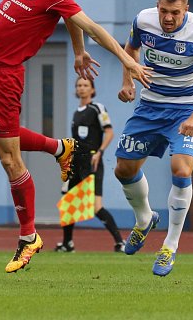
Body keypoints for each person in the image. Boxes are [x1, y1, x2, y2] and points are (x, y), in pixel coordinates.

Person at [0, 0, 151, 274]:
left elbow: (91, 26)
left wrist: (127, 60)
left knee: (10, 159)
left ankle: (28, 236)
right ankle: (60, 149)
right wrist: (78, 51)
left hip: (5, 78)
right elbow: (69, 22)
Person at [113, 0, 193, 277]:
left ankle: (169, 246)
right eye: (163, 11)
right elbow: (130, 50)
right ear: (157, 6)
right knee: (123, 169)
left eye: (175, 12)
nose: (167, 18)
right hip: (150, 107)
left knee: (181, 169)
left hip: (186, 110)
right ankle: (144, 219)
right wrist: (127, 81)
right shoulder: (143, 20)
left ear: (185, 9)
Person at [55, 77, 125, 253]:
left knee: (96, 206)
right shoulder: (76, 112)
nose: (82, 88)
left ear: (92, 90)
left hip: (92, 161)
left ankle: (120, 242)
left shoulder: (97, 108)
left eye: (85, 85)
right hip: (75, 162)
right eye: (79, 85)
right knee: (68, 202)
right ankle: (67, 244)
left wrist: (100, 151)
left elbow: (109, 132)